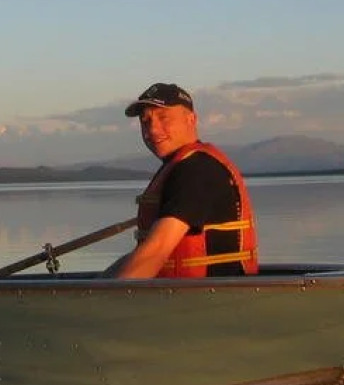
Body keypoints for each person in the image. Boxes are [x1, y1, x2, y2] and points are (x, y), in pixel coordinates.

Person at [105, 82, 258, 279]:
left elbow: (156, 251)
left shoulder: (196, 170)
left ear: (191, 119)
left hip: (207, 301)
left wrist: (101, 303)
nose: (153, 129)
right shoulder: (181, 166)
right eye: (146, 121)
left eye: (163, 118)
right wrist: (102, 280)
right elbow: (148, 250)